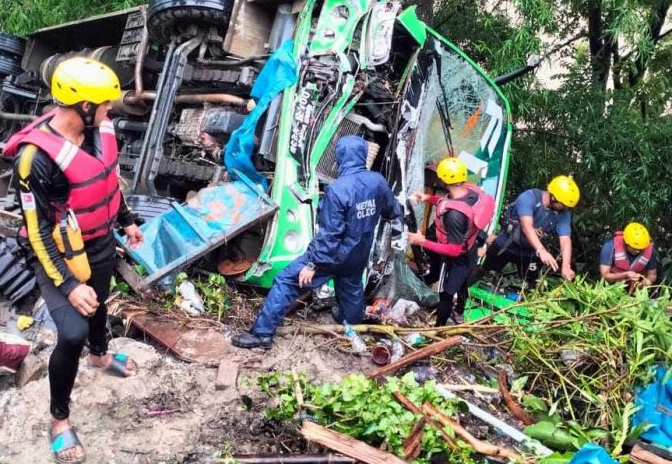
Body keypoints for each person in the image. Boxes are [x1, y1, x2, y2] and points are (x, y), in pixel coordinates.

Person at [2, 57, 144, 464]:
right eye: (103, 105)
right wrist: (67, 284)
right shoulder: (35, 160)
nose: (109, 111)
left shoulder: (98, 132)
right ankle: (58, 420)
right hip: (56, 253)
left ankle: (100, 356)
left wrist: (128, 220)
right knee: (71, 331)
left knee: (99, 300)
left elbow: (107, 179)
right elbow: (38, 231)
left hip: (99, 243)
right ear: (83, 106)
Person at [232, 135, 402, 349]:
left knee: (286, 281)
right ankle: (351, 324)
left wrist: (312, 265)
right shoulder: (377, 181)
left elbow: (330, 234)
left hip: (332, 256)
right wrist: (395, 234)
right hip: (359, 254)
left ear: (340, 158)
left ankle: (262, 335)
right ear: (362, 155)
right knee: (350, 286)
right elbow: (393, 211)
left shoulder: (338, 189)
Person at [408, 157, 495, 325]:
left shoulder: (454, 216)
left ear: (443, 180)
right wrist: (427, 197)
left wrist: (422, 241)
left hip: (458, 256)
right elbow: (447, 202)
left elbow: (454, 250)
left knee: (446, 293)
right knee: (463, 283)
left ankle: (439, 328)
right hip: (471, 245)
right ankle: (458, 313)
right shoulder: (471, 191)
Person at [480, 175, 579, 286]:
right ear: (553, 197)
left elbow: (565, 239)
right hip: (506, 244)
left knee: (530, 285)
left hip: (529, 252)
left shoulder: (563, 214)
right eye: (564, 205)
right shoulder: (528, 197)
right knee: (484, 275)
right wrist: (542, 251)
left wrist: (566, 266)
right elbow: (527, 227)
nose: (565, 208)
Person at [600, 222, 657, 288]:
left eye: (640, 249)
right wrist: (625, 275)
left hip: (635, 289)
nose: (638, 251)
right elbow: (604, 275)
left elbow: (652, 275)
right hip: (611, 287)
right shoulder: (610, 247)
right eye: (634, 248)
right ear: (625, 242)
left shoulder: (649, 250)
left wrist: (648, 280)